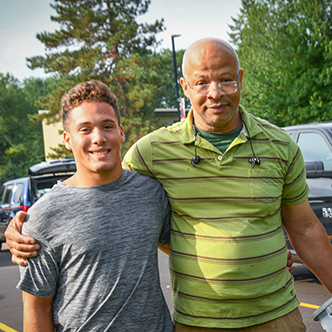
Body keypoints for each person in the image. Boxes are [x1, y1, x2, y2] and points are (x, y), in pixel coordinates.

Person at [6, 38, 331, 331]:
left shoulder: (281, 145)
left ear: (241, 79)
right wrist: (26, 227)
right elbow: (100, 184)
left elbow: (304, 228)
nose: (215, 93)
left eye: (226, 80)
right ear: (185, 87)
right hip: (198, 323)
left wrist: (260, 255)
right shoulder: (151, 152)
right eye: (201, 82)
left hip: (278, 317)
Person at [13, 80, 174, 332]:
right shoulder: (44, 216)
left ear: (121, 132)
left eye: (107, 126)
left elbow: (179, 245)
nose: (98, 138)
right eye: (85, 129)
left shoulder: (152, 193)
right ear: (68, 139)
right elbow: (36, 307)